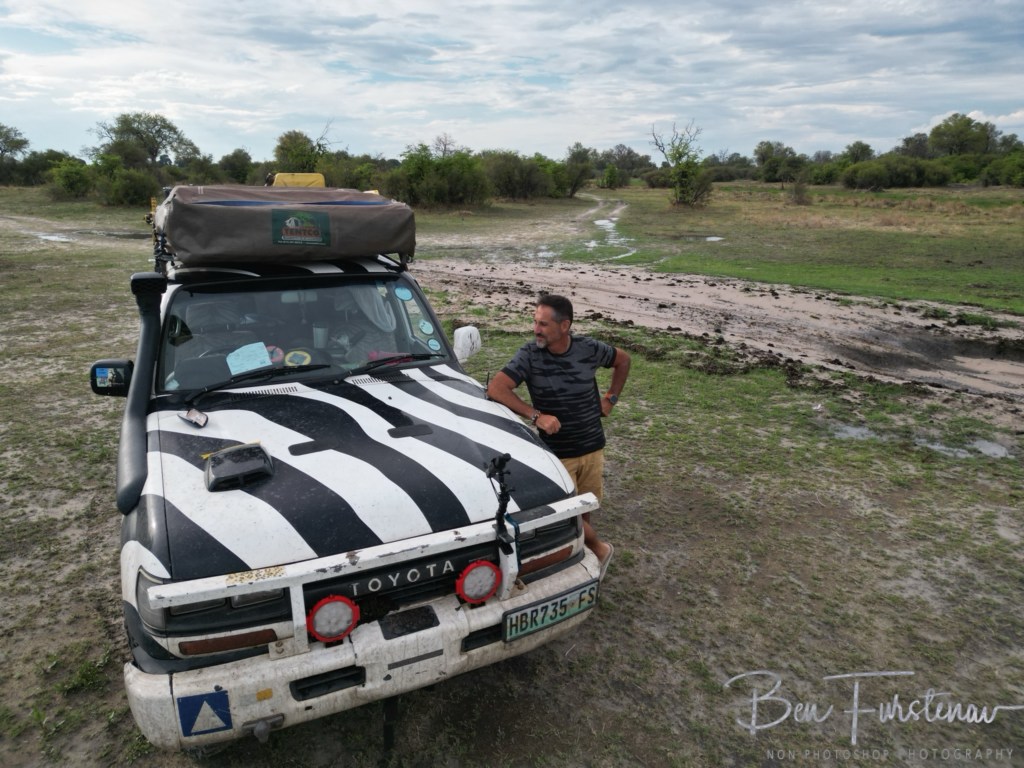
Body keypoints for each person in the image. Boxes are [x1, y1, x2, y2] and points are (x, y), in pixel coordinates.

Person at [487, 294, 630, 578]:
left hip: (591, 446)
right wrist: (536, 415)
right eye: (535, 322)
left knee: (584, 510)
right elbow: (496, 389)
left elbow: (623, 360)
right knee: (567, 512)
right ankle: (600, 548)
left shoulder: (588, 348)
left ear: (564, 326)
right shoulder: (529, 354)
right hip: (556, 454)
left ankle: (582, 554)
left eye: (543, 324)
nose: (536, 329)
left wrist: (610, 398)